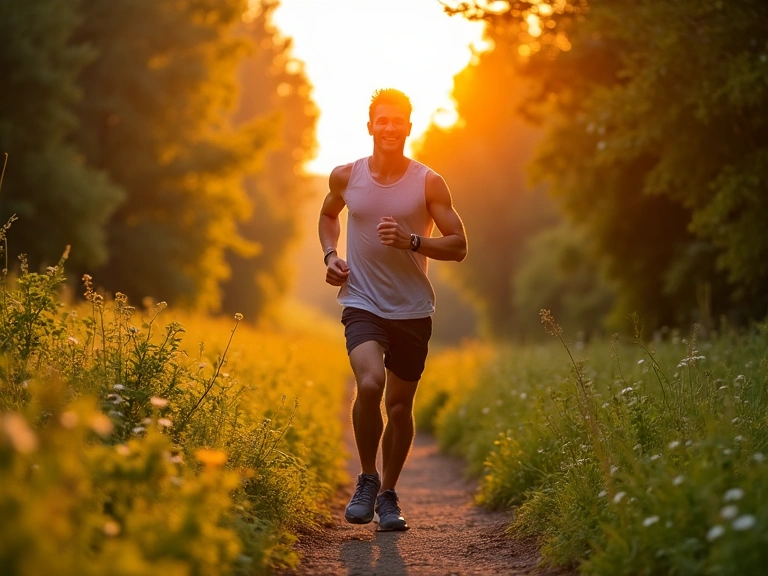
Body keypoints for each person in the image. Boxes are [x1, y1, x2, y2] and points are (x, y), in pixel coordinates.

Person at [318, 88, 467, 532]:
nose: (389, 127)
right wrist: (330, 256)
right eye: (381, 120)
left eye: (397, 120)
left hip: (412, 309)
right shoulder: (345, 176)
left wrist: (412, 241)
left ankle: (388, 495)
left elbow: (459, 245)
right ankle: (366, 478)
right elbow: (328, 217)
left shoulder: (428, 182)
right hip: (362, 301)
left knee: (399, 409)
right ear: (370, 126)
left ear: (407, 127)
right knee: (370, 383)